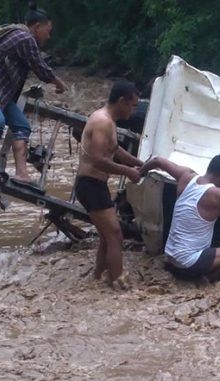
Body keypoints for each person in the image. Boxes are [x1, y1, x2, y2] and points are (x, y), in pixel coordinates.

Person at [0, 2, 67, 183]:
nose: (48, 36)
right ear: (37, 27)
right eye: (47, 31)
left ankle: (22, 174)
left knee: (22, 126)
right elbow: (39, 67)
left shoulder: (19, 35)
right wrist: (58, 82)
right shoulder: (24, 38)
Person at [75, 80, 144, 288]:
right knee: (116, 235)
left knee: (107, 235)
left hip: (95, 184)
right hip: (90, 185)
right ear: (121, 101)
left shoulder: (109, 121)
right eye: (132, 105)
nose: (133, 110)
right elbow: (98, 159)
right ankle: (118, 281)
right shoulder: (103, 121)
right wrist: (128, 172)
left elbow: (115, 150)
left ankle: (98, 277)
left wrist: (139, 163)